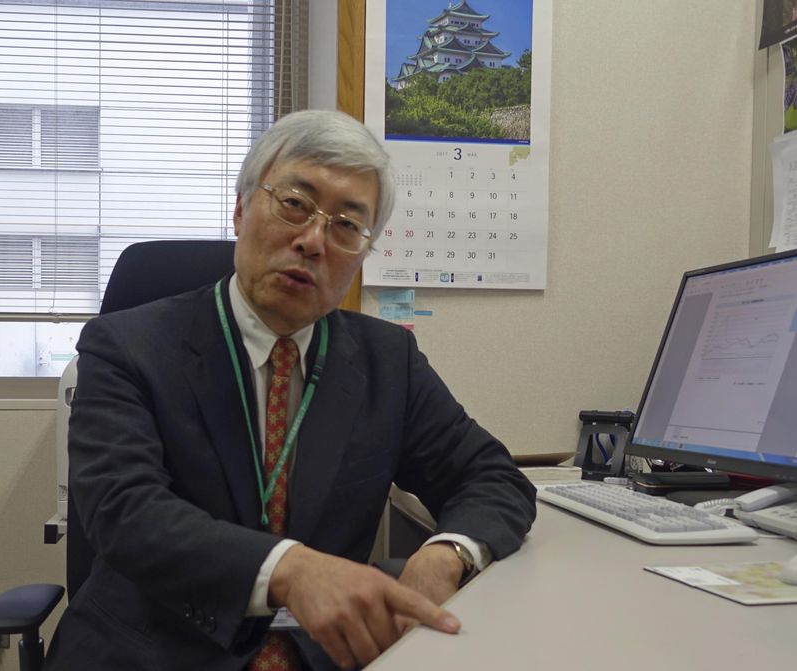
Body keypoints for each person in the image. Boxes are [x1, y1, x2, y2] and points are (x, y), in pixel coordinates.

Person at [43, 109, 536, 671]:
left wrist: (446, 554)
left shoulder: (386, 361)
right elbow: (124, 510)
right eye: (295, 205)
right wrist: (292, 568)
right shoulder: (127, 345)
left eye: (347, 226)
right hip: (152, 652)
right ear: (240, 209)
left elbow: (493, 476)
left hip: (319, 655)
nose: (313, 241)